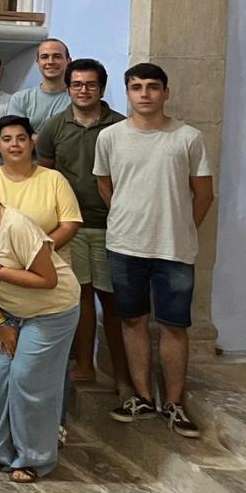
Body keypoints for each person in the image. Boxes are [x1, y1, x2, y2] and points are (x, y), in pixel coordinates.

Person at [94, 62, 214, 438]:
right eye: (136, 87)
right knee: (132, 319)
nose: (144, 94)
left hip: (173, 248)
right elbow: (104, 185)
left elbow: (204, 193)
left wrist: (178, 227)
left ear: (165, 93)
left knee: (174, 325)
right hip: (125, 244)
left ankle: (174, 403)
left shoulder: (187, 138)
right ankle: (142, 396)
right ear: (127, 93)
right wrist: (129, 217)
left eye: (152, 87)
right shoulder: (110, 137)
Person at [0, 160, 80, 481]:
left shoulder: (16, 225)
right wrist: (0, 322)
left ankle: (35, 458)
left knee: (27, 378)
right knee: (2, 377)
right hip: (8, 312)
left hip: (52, 309)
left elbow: (47, 279)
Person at [37, 58, 129, 392]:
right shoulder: (54, 126)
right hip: (71, 226)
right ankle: (85, 365)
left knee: (114, 301)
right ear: (68, 88)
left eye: (90, 84)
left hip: (111, 226)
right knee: (81, 297)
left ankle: (123, 374)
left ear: (102, 88)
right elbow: (44, 173)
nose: (83, 90)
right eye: (77, 84)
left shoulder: (120, 127)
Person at [0, 115, 81, 260]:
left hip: (51, 261)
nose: (15, 144)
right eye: (7, 139)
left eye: (21, 139)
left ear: (31, 144)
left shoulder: (54, 178)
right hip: (2, 263)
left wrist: (36, 253)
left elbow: (69, 225)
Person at [8, 39, 72, 134]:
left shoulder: (78, 99)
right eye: (44, 57)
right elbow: (17, 137)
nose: (50, 61)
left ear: (68, 61)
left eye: (57, 56)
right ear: (38, 61)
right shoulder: (20, 99)